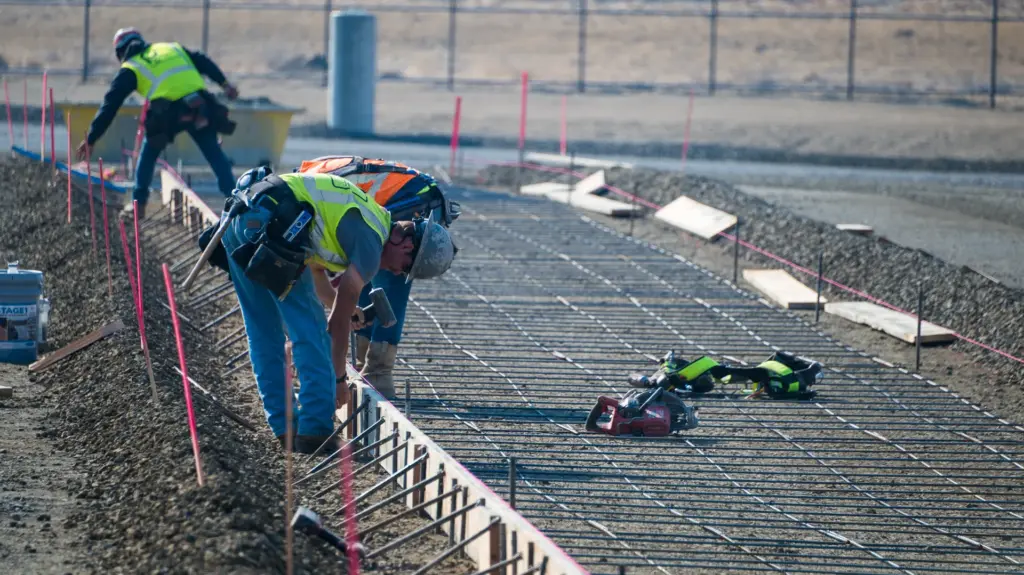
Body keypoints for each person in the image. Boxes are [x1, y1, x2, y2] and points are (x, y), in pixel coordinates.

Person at [199, 167, 457, 453]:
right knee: (312, 333)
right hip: (275, 229)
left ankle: (286, 427)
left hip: (242, 221)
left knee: (264, 333)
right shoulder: (372, 244)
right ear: (407, 244)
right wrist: (339, 381)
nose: (397, 273)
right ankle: (315, 428)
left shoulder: (366, 217)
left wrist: (344, 306)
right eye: (405, 268)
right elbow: (336, 327)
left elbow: (318, 276)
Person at [295, 156, 461, 399]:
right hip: (412, 203)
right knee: (366, 270)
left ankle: (377, 373)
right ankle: (368, 368)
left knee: (388, 280)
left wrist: (340, 311)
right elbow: (328, 272)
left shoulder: (310, 187)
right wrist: (343, 308)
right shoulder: (318, 184)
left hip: (410, 208)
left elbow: (329, 272)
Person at [76, 27, 239, 219]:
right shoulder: (171, 48)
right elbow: (203, 61)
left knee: (148, 154)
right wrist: (225, 84)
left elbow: (110, 106)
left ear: (120, 52)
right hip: (198, 106)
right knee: (214, 154)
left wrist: (92, 138)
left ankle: (138, 206)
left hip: (167, 114)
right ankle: (236, 201)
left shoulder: (131, 67)